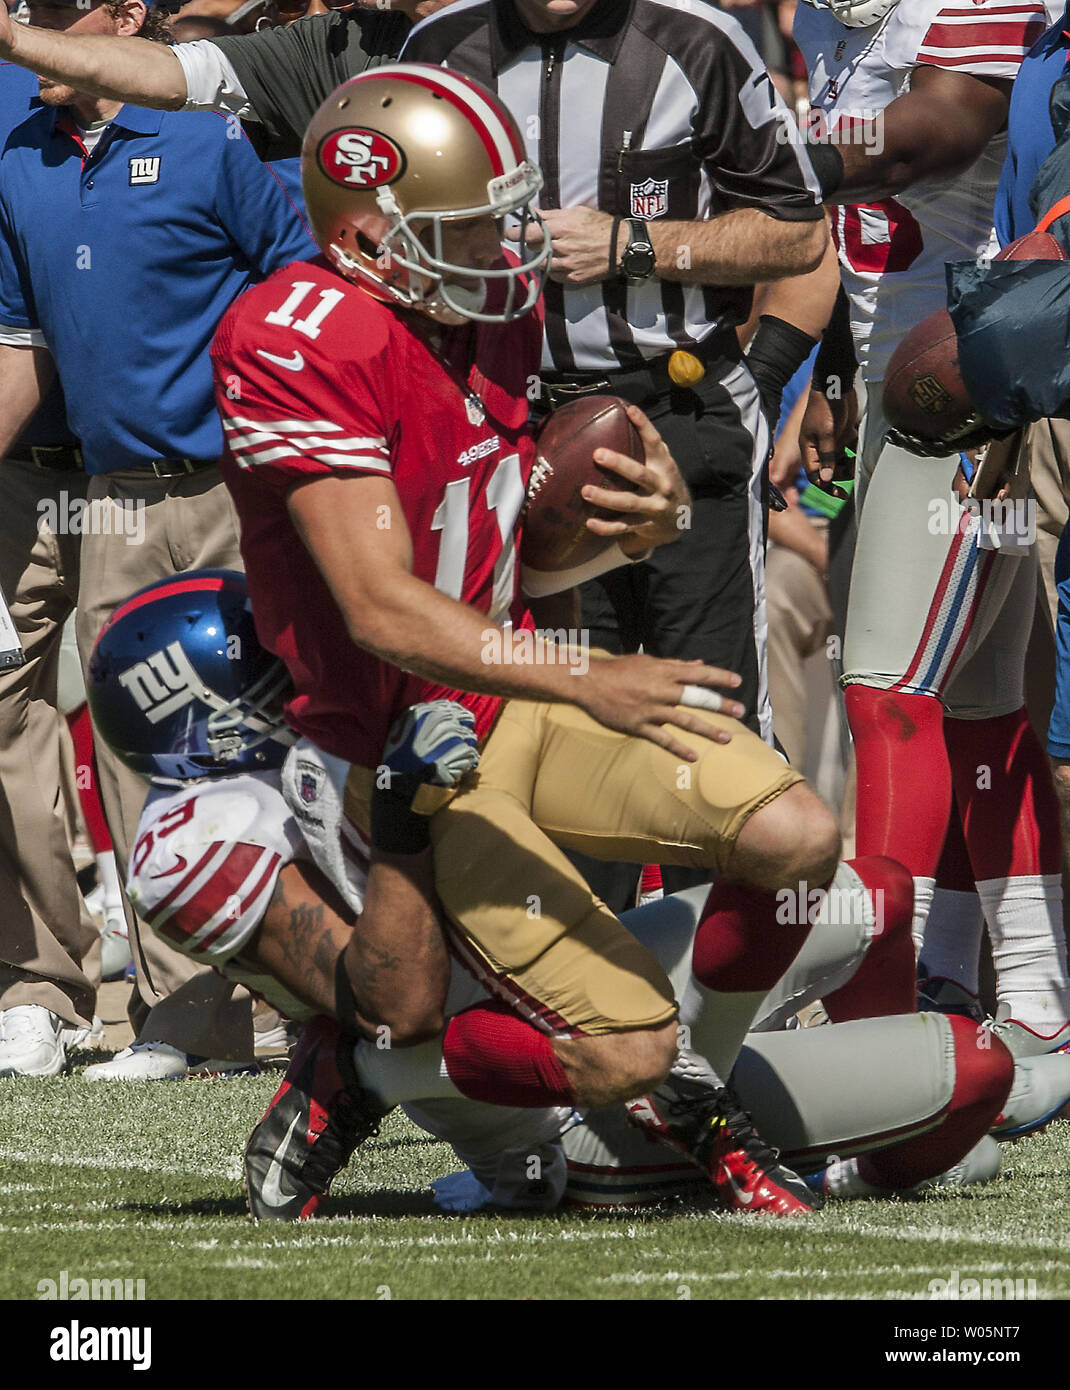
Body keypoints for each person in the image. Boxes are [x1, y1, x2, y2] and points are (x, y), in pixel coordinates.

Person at [86, 567, 1070, 1222]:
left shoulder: (334, 729)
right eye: (271, 670)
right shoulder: (197, 842)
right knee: (977, 1068)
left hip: (602, 1000)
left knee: (864, 891)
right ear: (206, 717)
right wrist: (397, 819)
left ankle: (813, 1148)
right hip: (535, 1090)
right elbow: (398, 1004)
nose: (300, 668)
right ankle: (364, 1089)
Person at [403, 0, 829, 907]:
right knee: (561, 716)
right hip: (522, 423)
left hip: (680, 409)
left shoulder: (697, 39)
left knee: (706, 715)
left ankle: (717, 1002)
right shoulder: (439, 50)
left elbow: (798, 231)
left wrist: (632, 245)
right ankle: (587, 1005)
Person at [0, 0, 314, 1079]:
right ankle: (184, 1016)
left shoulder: (205, 136)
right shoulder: (24, 157)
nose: (23, 28)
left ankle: (303, 992)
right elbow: (21, 344)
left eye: (46, 10)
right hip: (110, 494)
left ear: (123, 17)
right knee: (143, 749)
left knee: (267, 737)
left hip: (238, 483)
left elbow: (297, 285)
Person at [792, 0, 1070, 1049]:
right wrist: (825, 366)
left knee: (884, 691)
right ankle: (1022, 997)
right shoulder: (828, 18)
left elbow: (931, 130)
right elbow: (846, 237)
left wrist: (748, 150)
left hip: (949, 380)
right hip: (889, 373)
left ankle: (883, 1000)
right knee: (979, 705)